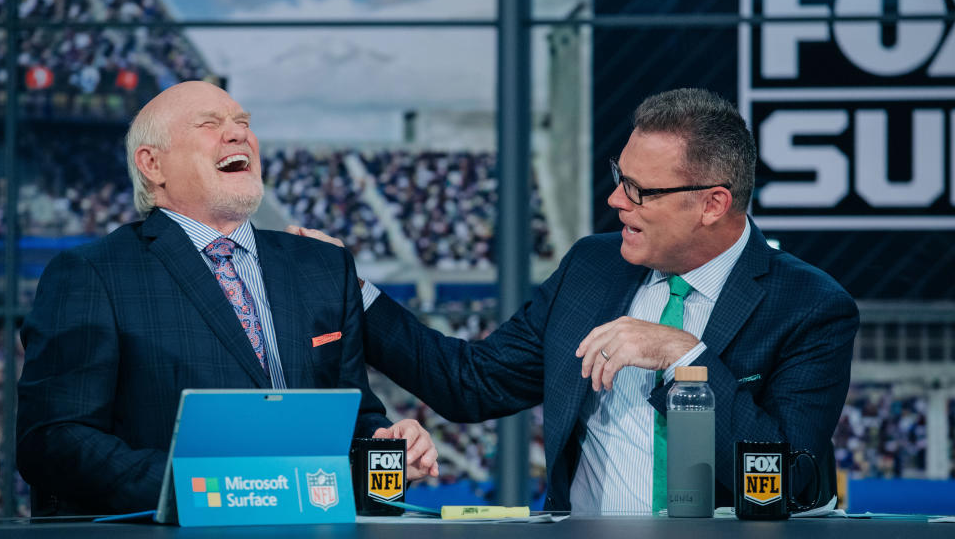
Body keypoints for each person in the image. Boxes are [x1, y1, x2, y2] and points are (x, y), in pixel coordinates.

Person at [291, 88, 859, 514]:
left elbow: (790, 482)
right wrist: (353, 289)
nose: (616, 199)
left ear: (712, 203)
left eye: (641, 190)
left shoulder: (809, 305)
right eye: (620, 177)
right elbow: (472, 383)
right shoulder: (592, 266)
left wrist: (690, 361)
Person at [17, 81, 437, 517]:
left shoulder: (323, 267)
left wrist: (387, 448)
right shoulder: (92, 274)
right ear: (153, 164)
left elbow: (355, 420)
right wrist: (203, 489)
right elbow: (53, 438)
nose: (238, 135)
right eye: (209, 124)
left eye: (242, 123)